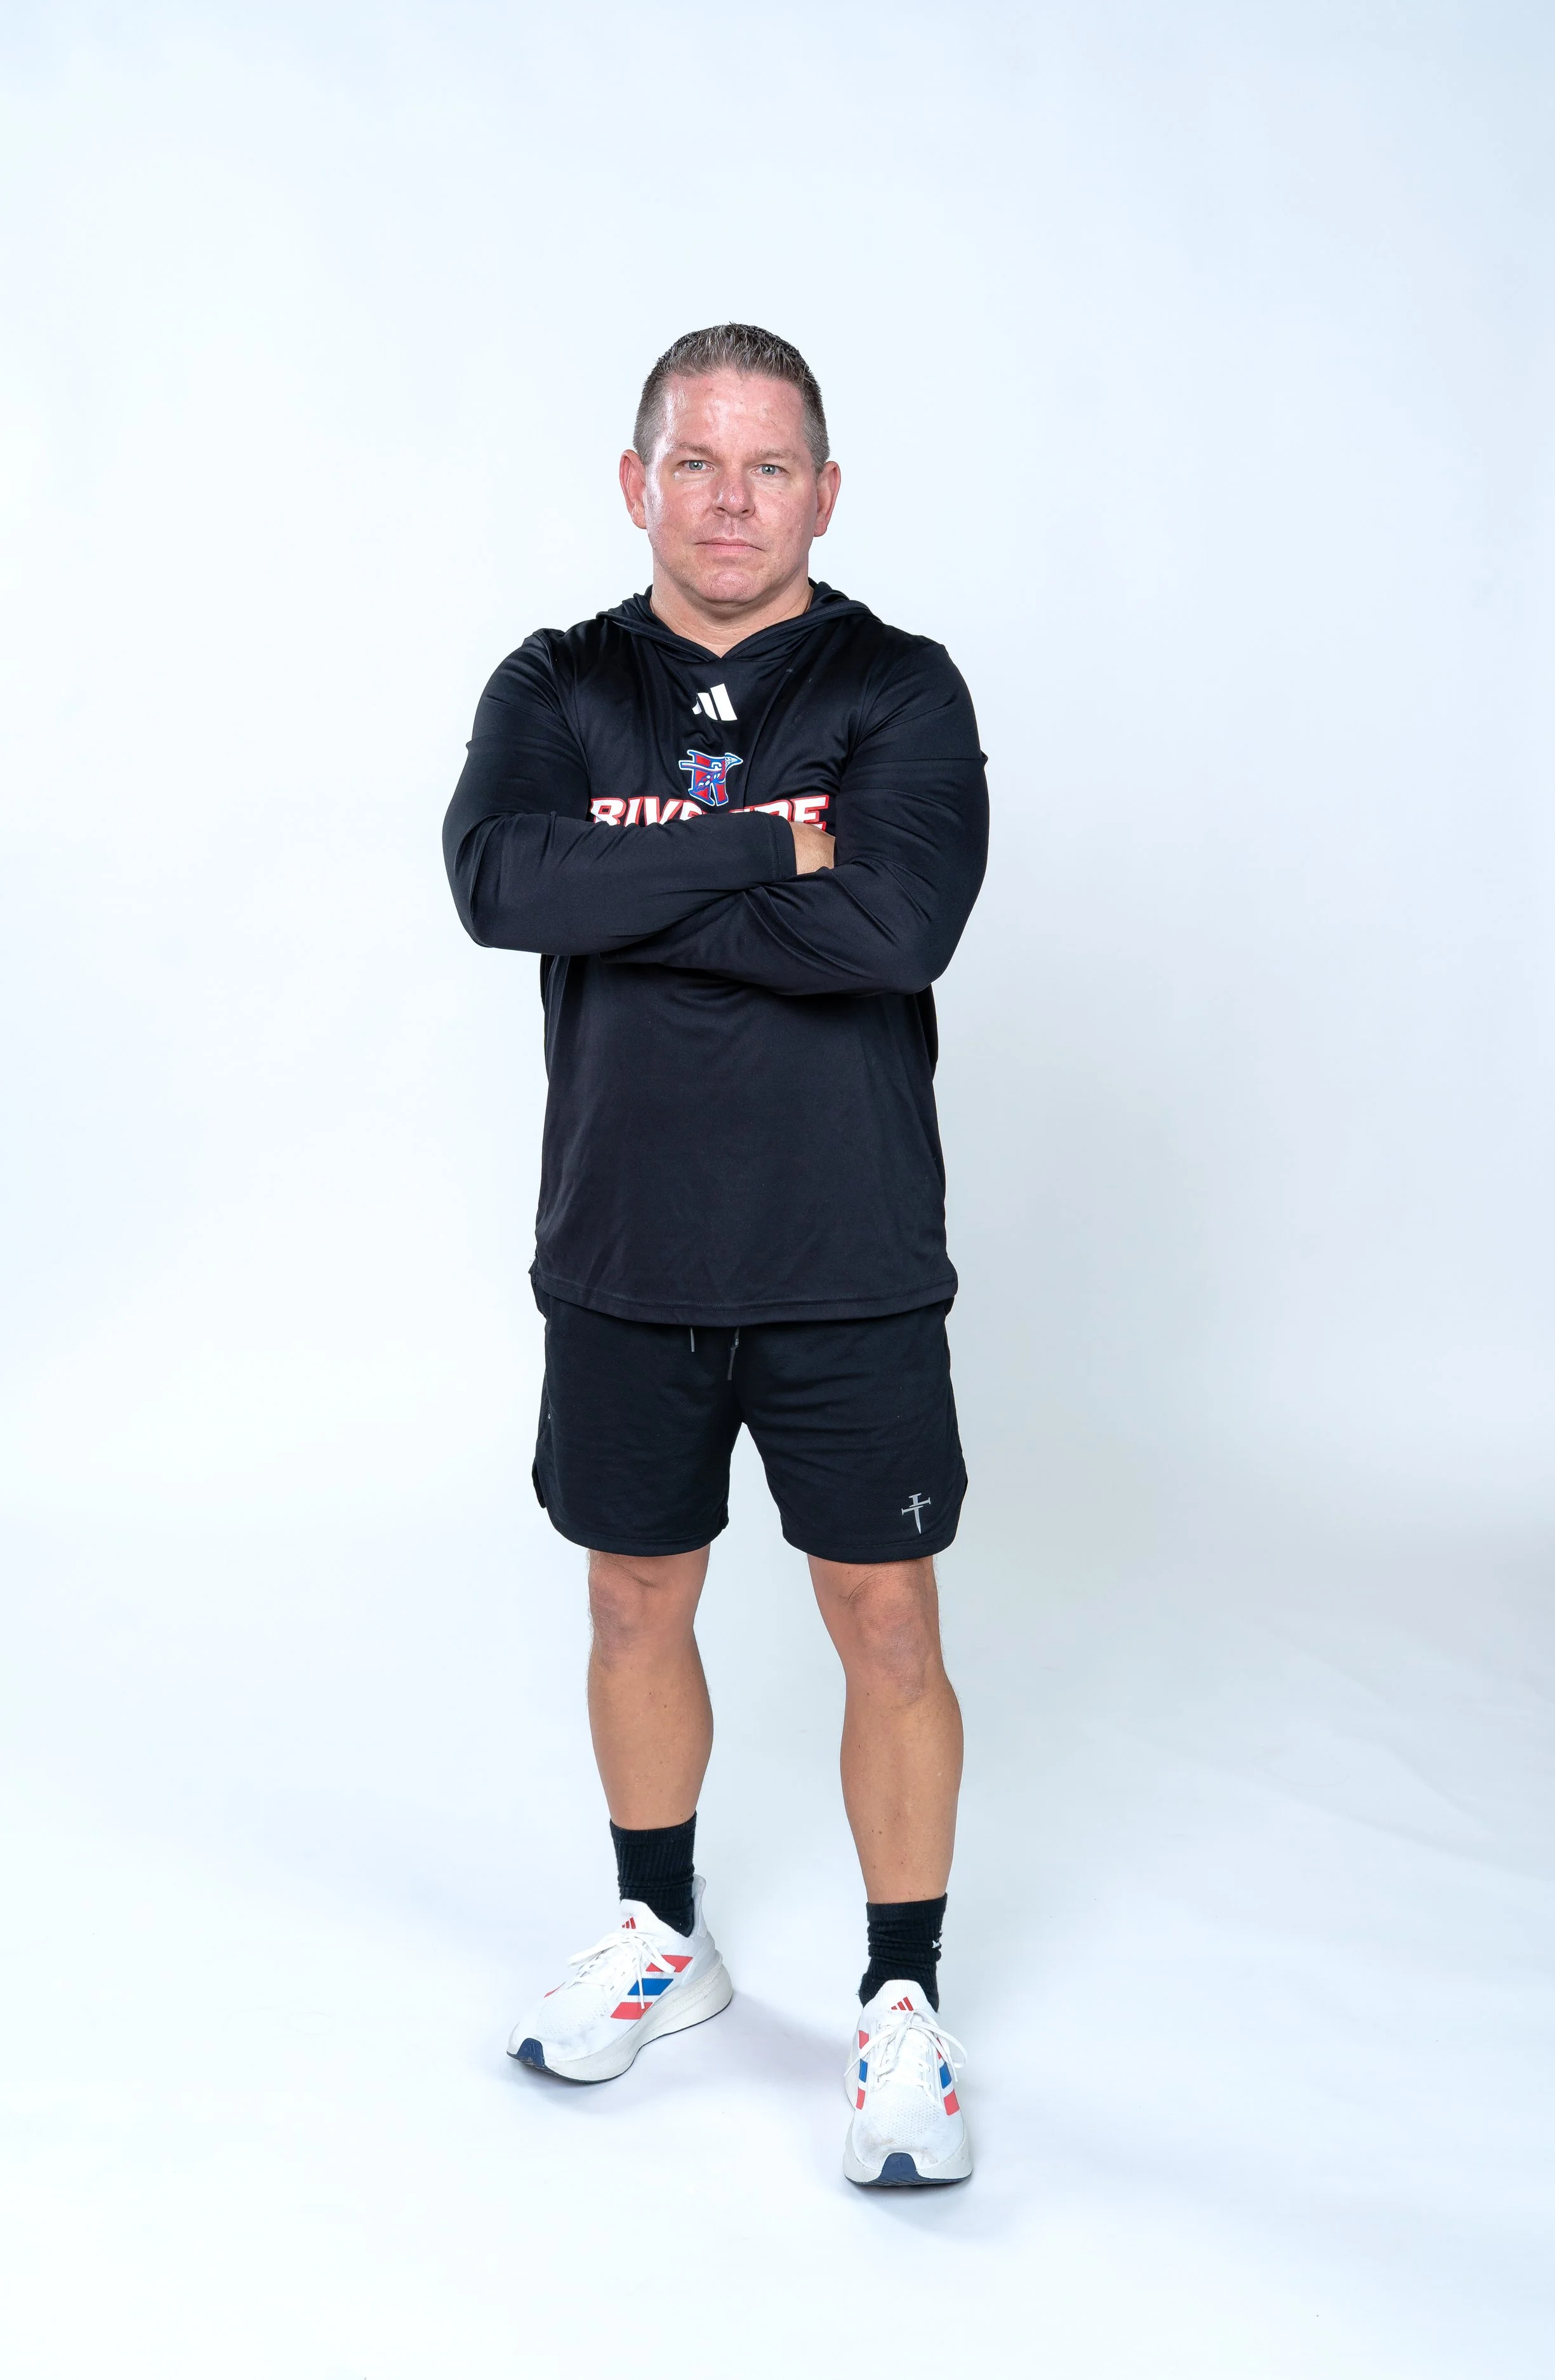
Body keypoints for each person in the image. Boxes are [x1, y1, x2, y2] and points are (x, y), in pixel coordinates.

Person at [442, 324, 988, 2187]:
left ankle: (900, 2001)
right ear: (636, 481)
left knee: (887, 1618)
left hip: (845, 1252)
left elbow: (899, 927)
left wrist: (649, 878)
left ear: (822, 492)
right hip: (621, 1244)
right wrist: (766, 845)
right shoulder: (557, 678)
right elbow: (500, 886)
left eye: (769, 468)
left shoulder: (899, 686)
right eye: (697, 464)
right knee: (628, 1600)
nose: (732, 501)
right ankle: (661, 1937)